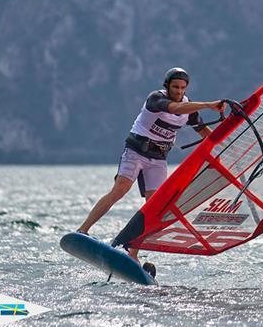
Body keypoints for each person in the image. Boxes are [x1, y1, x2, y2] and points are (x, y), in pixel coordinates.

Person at [76, 67, 224, 270]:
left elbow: (205, 132)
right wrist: (209, 104)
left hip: (158, 159)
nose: (179, 92)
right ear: (167, 86)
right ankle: (83, 229)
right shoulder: (156, 99)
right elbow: (173, 108)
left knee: (155, 206)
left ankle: (133, 252)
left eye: (182, 88)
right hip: (136, 151)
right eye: (175, 87)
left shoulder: (189, 109)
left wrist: (226, 139)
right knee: (120, 189)